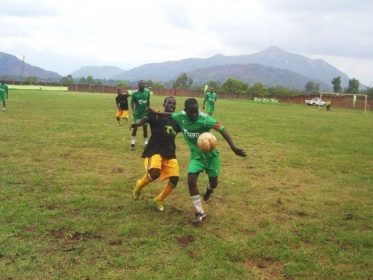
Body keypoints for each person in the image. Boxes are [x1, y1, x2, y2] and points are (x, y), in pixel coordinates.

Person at [153, 98, 246, 223]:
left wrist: (233, 147)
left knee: (214, 183)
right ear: (185, 111)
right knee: (191, 181)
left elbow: (222, 129)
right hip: (196, 157)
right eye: (191, 112)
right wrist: (156, 112)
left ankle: (209, 189)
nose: (194, 115)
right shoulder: (181, 116)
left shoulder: (205, 119)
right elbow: (170, 114)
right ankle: (200, 212)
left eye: (196, 112)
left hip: (211, 157)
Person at [131, 96, 181, 211]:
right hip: (155, 149)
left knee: (175, 179)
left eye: (174, 104)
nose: (171, 106)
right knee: (155, 172)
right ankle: (139, 185)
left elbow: (188, 128)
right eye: (169, 103)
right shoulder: (156, 115)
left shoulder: (176, 121)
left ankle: (159, 199)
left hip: (169, 152)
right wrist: (137, 124)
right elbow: (145, 119)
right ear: (164, 104)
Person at [130, 80, 151, 150]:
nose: (142, 85)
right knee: (135, 128)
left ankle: (145, 143)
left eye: (143, 84)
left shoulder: (147, 92)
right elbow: (131, 104)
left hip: (145, 114)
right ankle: (132, 143)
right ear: (138, 85)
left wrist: (148, 109)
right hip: (137, 114)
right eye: (141, 84)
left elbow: (148, 102)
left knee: (145, 129)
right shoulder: (134, 93)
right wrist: (133, 111)